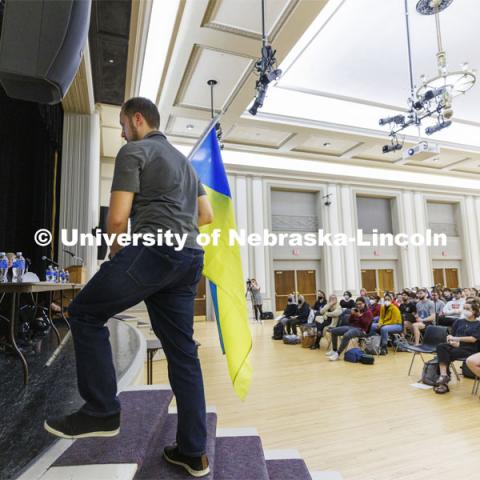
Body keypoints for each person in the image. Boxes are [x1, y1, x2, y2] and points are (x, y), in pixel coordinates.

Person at [43, 98, 213, 478]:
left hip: (154, 251)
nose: (121, 133)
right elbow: (206, 214)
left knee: (83, 312)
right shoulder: (184, 164)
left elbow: (117, 219)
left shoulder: (134, 151)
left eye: (122, 124)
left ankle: (101, 411)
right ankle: (193, 452)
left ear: (137, 119)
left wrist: (118, 248)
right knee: (184, 356)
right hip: (188, 258)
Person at [434, 302, 480, 394]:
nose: (465, 310)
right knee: (441, 347)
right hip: (455, 346)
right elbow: (452, 335)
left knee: (443, 355)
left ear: (474, 311)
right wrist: (451, 341)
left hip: (470, 349)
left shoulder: (478, 324)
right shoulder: (459, 321)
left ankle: (443, 384)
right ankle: (444, 375)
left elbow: (473, 339)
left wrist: (457, 340)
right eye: (464, 308)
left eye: (468, 309)